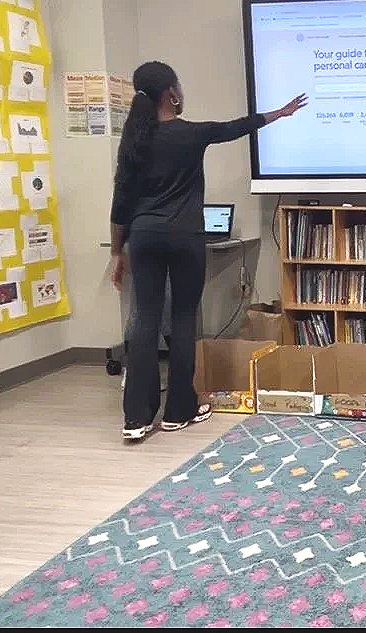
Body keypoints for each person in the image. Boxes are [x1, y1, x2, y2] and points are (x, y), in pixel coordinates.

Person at [109, 60, 306, 440]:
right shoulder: (189, 134)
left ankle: (135, 418)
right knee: (184, 321)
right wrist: (278, 114)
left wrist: (118, 253)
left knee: (145, 321)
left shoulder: (133, 140)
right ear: (172, 94)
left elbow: (120, 204)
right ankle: (179, 410)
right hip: (185, 238)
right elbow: (232, 128)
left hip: (144, 237)